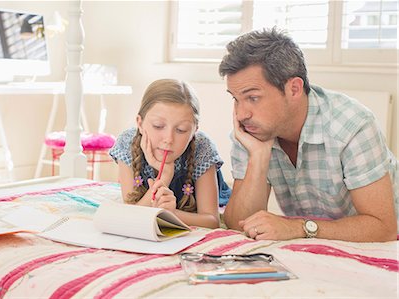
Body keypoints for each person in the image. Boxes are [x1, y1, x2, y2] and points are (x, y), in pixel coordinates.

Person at [219, 27, 398, 242]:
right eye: (235, 99)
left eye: (253, 98)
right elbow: (239, 224)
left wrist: (298, 227)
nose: (241, 113)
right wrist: (258, 158)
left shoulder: (352, 125)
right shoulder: (251, 130)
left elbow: (383, 228)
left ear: (294, 89)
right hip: (321, 243)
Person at [110, 79, 231, 229]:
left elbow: (212, 221)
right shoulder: (127, 143)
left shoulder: (203, 148)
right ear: (140, 123)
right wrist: (164, 177)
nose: (168, 139)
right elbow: (132, 213)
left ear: (194, 130)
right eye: (158, 126)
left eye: (181, 130)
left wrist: (170, 213)